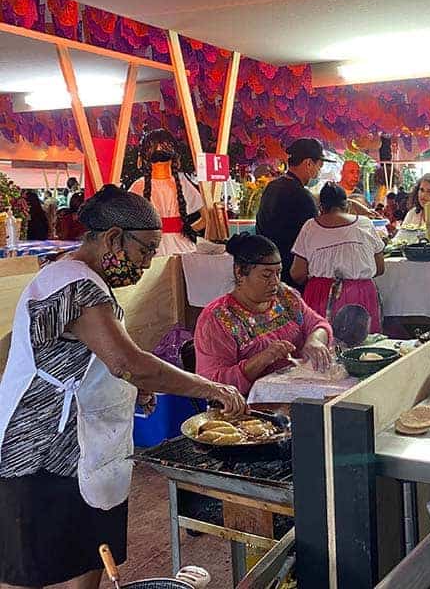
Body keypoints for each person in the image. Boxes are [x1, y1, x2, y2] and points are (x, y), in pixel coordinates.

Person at [0, 185, 246, 589]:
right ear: (114, 237)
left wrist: (132, 389)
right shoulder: (75, 285)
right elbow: (127, 362)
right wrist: (210, 388)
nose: (149, 262)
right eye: (146, 249)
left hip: (84, 445)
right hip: (43, 448)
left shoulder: (77, 276)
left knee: (91, 551)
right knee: (31, 568)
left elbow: (97, 360)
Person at [194, 233, 334, 396]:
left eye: (278, 273)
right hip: (249, 409)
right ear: (240, 272)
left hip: (297, 394)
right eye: (266, 275)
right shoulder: (218, 318)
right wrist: (263, 359)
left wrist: (315, 340)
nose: (275, 281)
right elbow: (212, 384)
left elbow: (318, 325)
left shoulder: (285, 297)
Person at [291, 183, 385, 333]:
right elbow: (380, 268)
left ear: (321, 207)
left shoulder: (310, 226)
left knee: (322, 346)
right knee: (363, 351)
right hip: (360, 294)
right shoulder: (365, 223)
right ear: (347, 205)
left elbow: (297, 273)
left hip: (320, 295)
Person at [256, 138, 331, 288]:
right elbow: (314, 237)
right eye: (319, 166)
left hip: (267, 268)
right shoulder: (302, 196)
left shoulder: (272, 187)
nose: (319, 171)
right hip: (292, 274)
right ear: (308, 163)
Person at [129, 128, 204, 256]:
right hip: (183, 247)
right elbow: (206, 218)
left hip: (152, 249)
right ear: (175, 158)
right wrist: (186, 230)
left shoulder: (138, 185)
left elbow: (128, 222)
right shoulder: (182, 182)